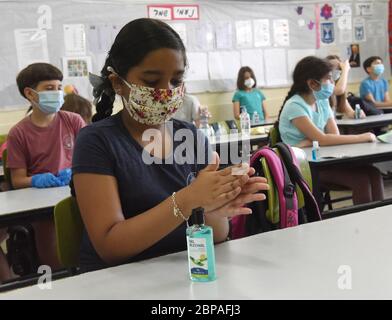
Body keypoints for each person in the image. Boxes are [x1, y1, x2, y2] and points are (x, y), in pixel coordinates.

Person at [72, 18, 268, 273]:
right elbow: (110, 247)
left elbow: (218, 235)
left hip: (180, 273)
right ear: (118, 83)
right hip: (118, 282)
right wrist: (188, 200)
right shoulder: (96, 142)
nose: (166, 91)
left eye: (176, 81)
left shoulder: (191, 136)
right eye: (152, 81)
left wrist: (216, 206)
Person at [6, 62, 85, 271]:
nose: (57, 93)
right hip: (41, 203)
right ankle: (58, 280)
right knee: (48, 231)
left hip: (75, 193)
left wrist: (76, 173)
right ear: (30, 94)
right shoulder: (19, 133)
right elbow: (17, 180)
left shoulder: (74, 121)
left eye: (59, 87)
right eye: (49, 89)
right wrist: (38, 180)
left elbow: (92, 161)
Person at [277, 56, 384, 205]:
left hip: (323, 159)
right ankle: (365, 224)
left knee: (374, 173)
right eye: (328, 78)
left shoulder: (321, 101)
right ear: (312, 83)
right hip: (303, 167)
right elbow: (323, 139)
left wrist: (313, 141)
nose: (333, 83)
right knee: (361, 180)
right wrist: (363, 136)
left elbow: (333, 136)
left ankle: (377, 223)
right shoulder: (294, 105)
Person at [326, 55, 365, 119]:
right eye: (331, 67)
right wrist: (345, 69)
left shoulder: (341, 94)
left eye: (339, 68)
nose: (335, 70)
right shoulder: (323, 87)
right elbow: (339, 90)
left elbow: (350, 113)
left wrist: (358, 114)